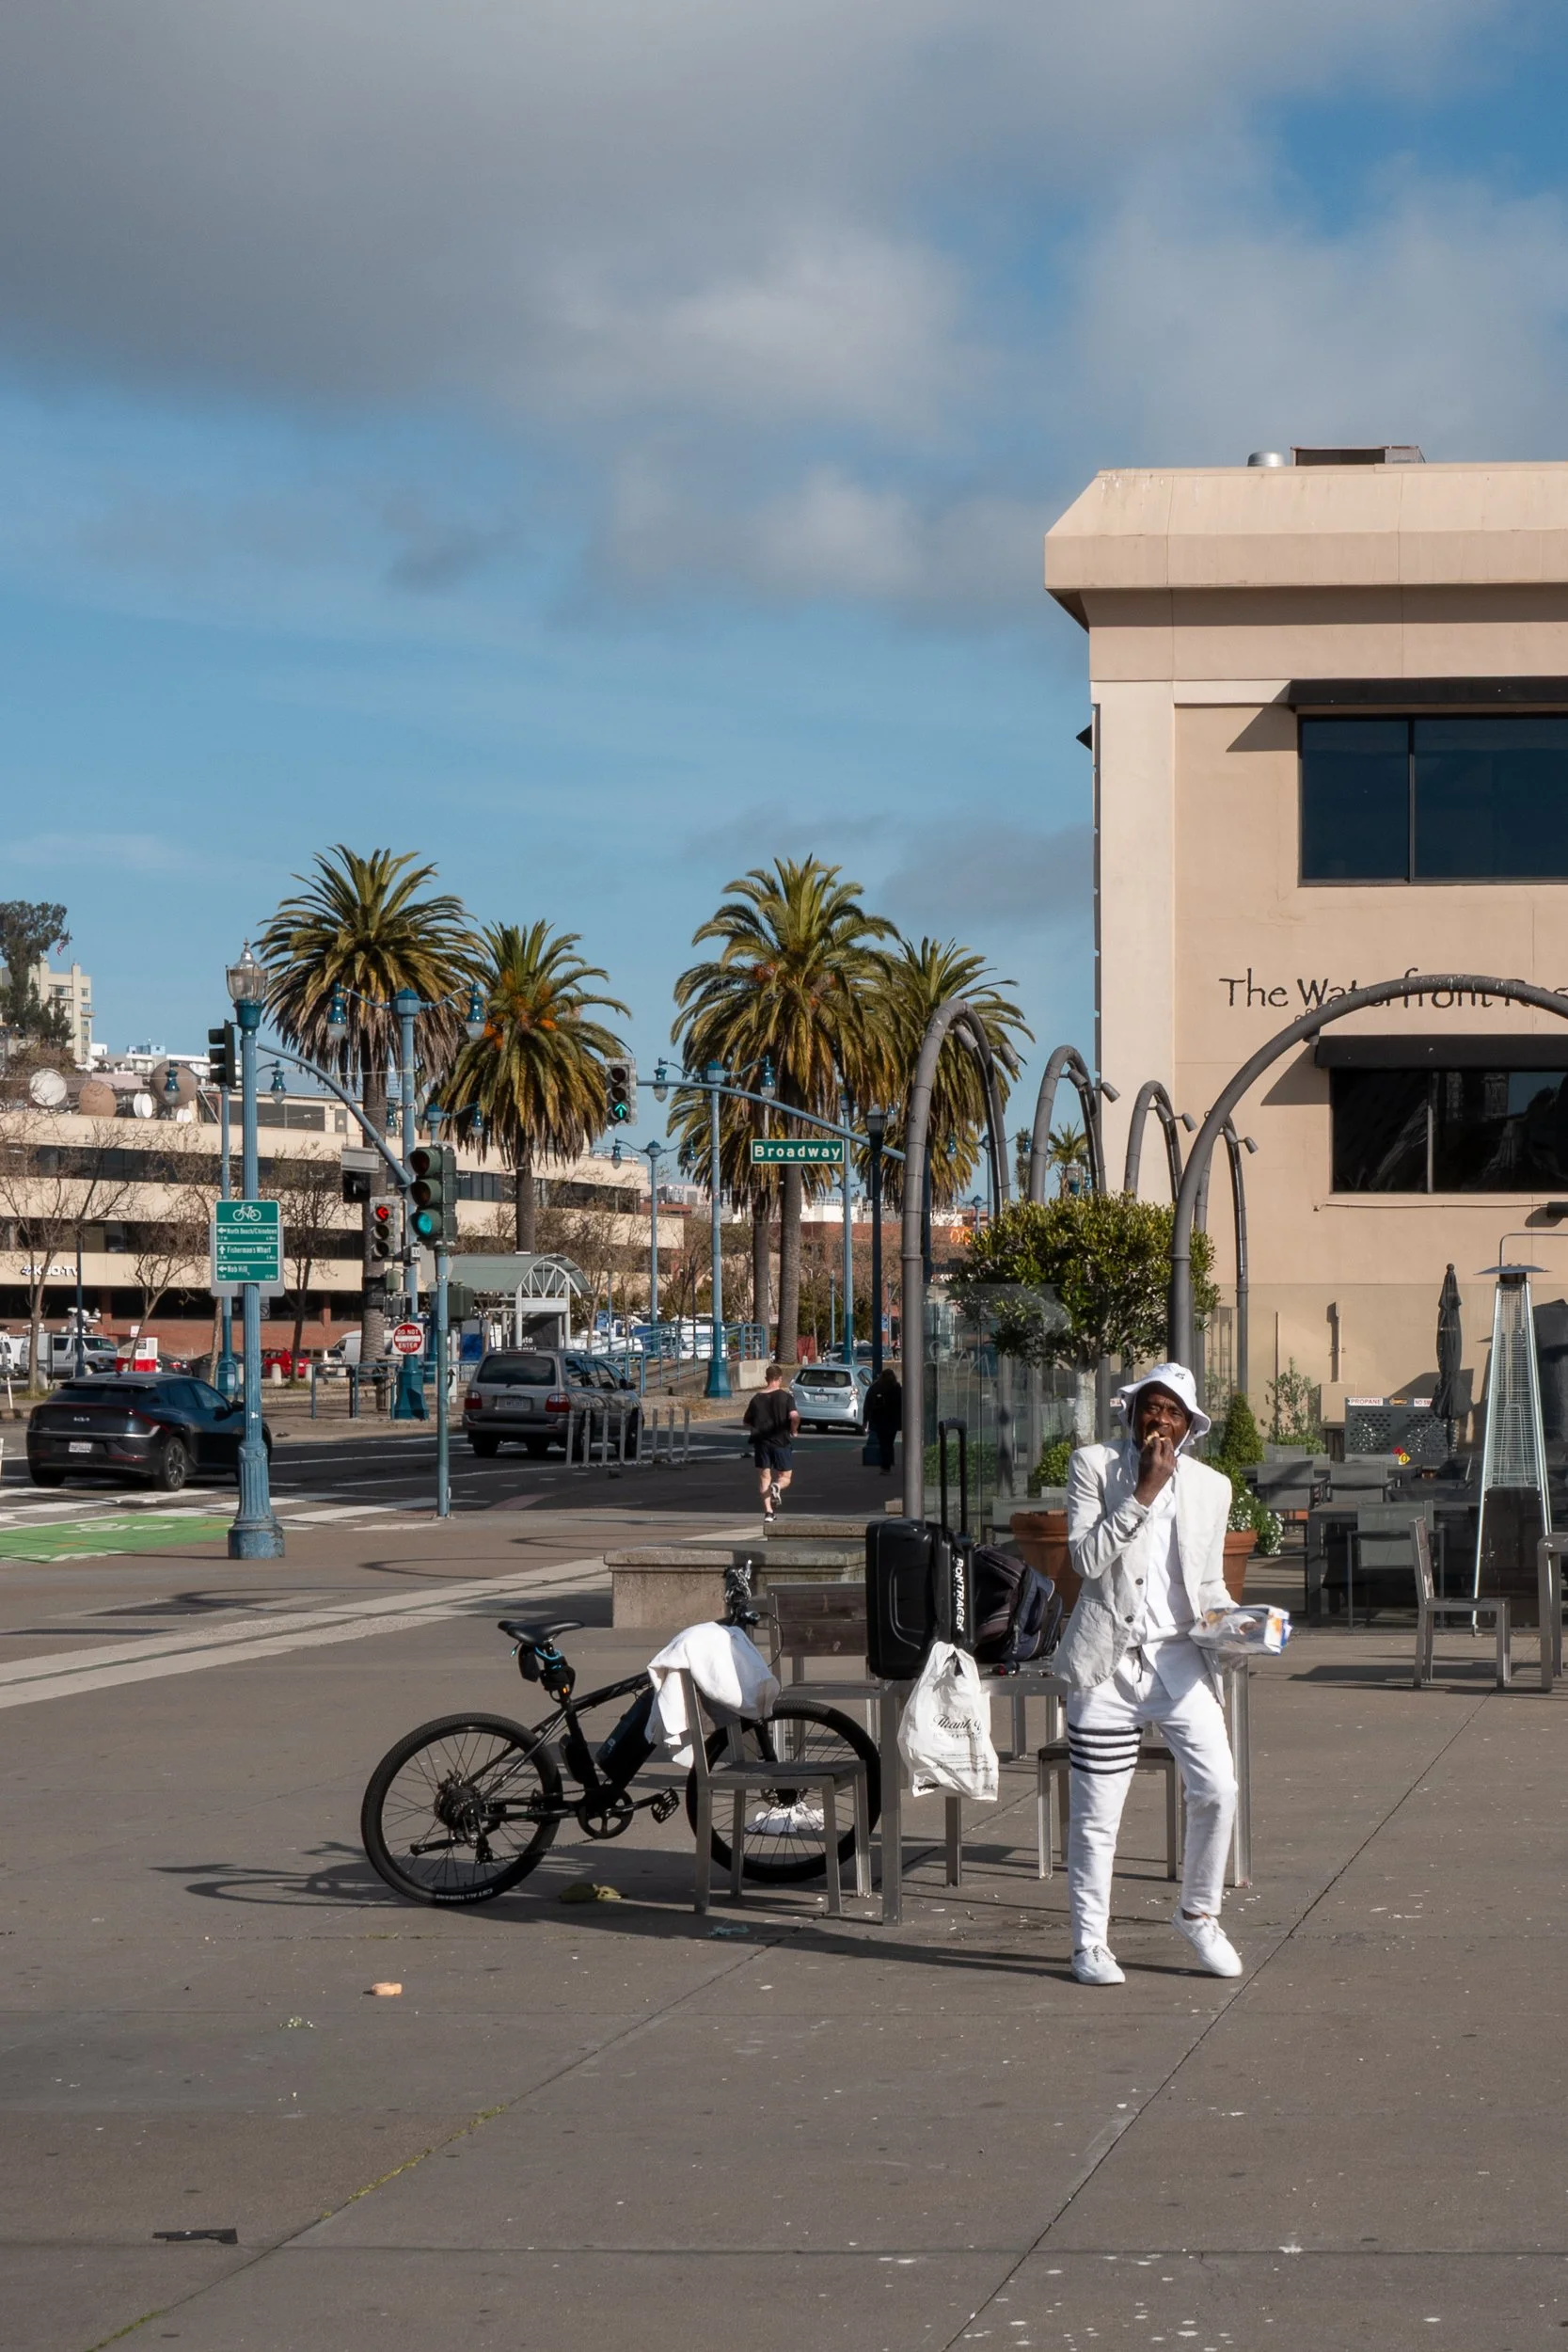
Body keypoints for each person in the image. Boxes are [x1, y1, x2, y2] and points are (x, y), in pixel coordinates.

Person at [1057, 1361, 1242, 1988]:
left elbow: (1208, 1583)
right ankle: (1089, 1944)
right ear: (1132, 1412)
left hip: (1179, 1661)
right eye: (1151, 1406)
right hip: (1106, 1664)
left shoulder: (1212, 1487)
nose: (1159, 1419)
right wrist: (1140, 1492)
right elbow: (1083, 1560)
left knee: (1218, 1788)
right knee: (1096, 1813)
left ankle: (1197, 1913)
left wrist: (1238, 1626)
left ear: (1189, 1426)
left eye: (1173, 1412)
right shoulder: (1094, 1467)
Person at [743, 1363, 800, 1521]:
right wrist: (794, 1430)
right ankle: (778, 1486)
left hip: (761, 1443)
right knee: (785, 1476)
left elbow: (746, 1421)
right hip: (781, 1441)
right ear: (780, 1379)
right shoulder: (786, 1397)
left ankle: (768, 1512)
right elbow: (794, 1417)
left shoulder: (756, 1399)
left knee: (764, 1477)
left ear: (766, 1379)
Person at [863, 1365, 902, 1474]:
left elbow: (868, 1404)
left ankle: (885, 1466)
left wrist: (865, 1419)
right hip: (893, 1420)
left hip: (879, 1419)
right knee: (889, 1443)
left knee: (883, 1443)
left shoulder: (876, 1388)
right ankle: (887, 1464)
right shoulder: (897, 1389)